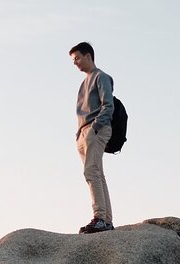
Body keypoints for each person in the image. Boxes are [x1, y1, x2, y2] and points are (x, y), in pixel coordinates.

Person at [69, 41, 115, 234]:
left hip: (95, 129)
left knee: (91, 172)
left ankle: (100, 218)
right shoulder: (83, 83)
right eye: (73, 60)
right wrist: (79, 133)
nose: (75, 62)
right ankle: (106, 220)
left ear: (88, 56)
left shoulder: (101, 77)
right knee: (97, 173)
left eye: (77, 58)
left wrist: (95, 126)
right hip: (84, 132)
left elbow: (108, 105)